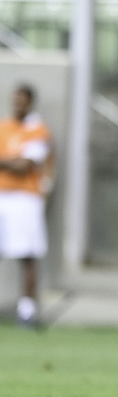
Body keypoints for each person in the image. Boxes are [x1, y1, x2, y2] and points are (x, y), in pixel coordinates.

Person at [0, 84, 54, 327]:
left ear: (30, 102)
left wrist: (7, 162)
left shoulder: (38, 130)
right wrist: (11, 161)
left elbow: (24, 167)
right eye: (15, 100)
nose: (17, 105)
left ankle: (27, 311)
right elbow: (15, 162)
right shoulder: (4, 127)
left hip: (26, 199)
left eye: (22, 101)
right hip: (2, 195)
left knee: (26, 255)